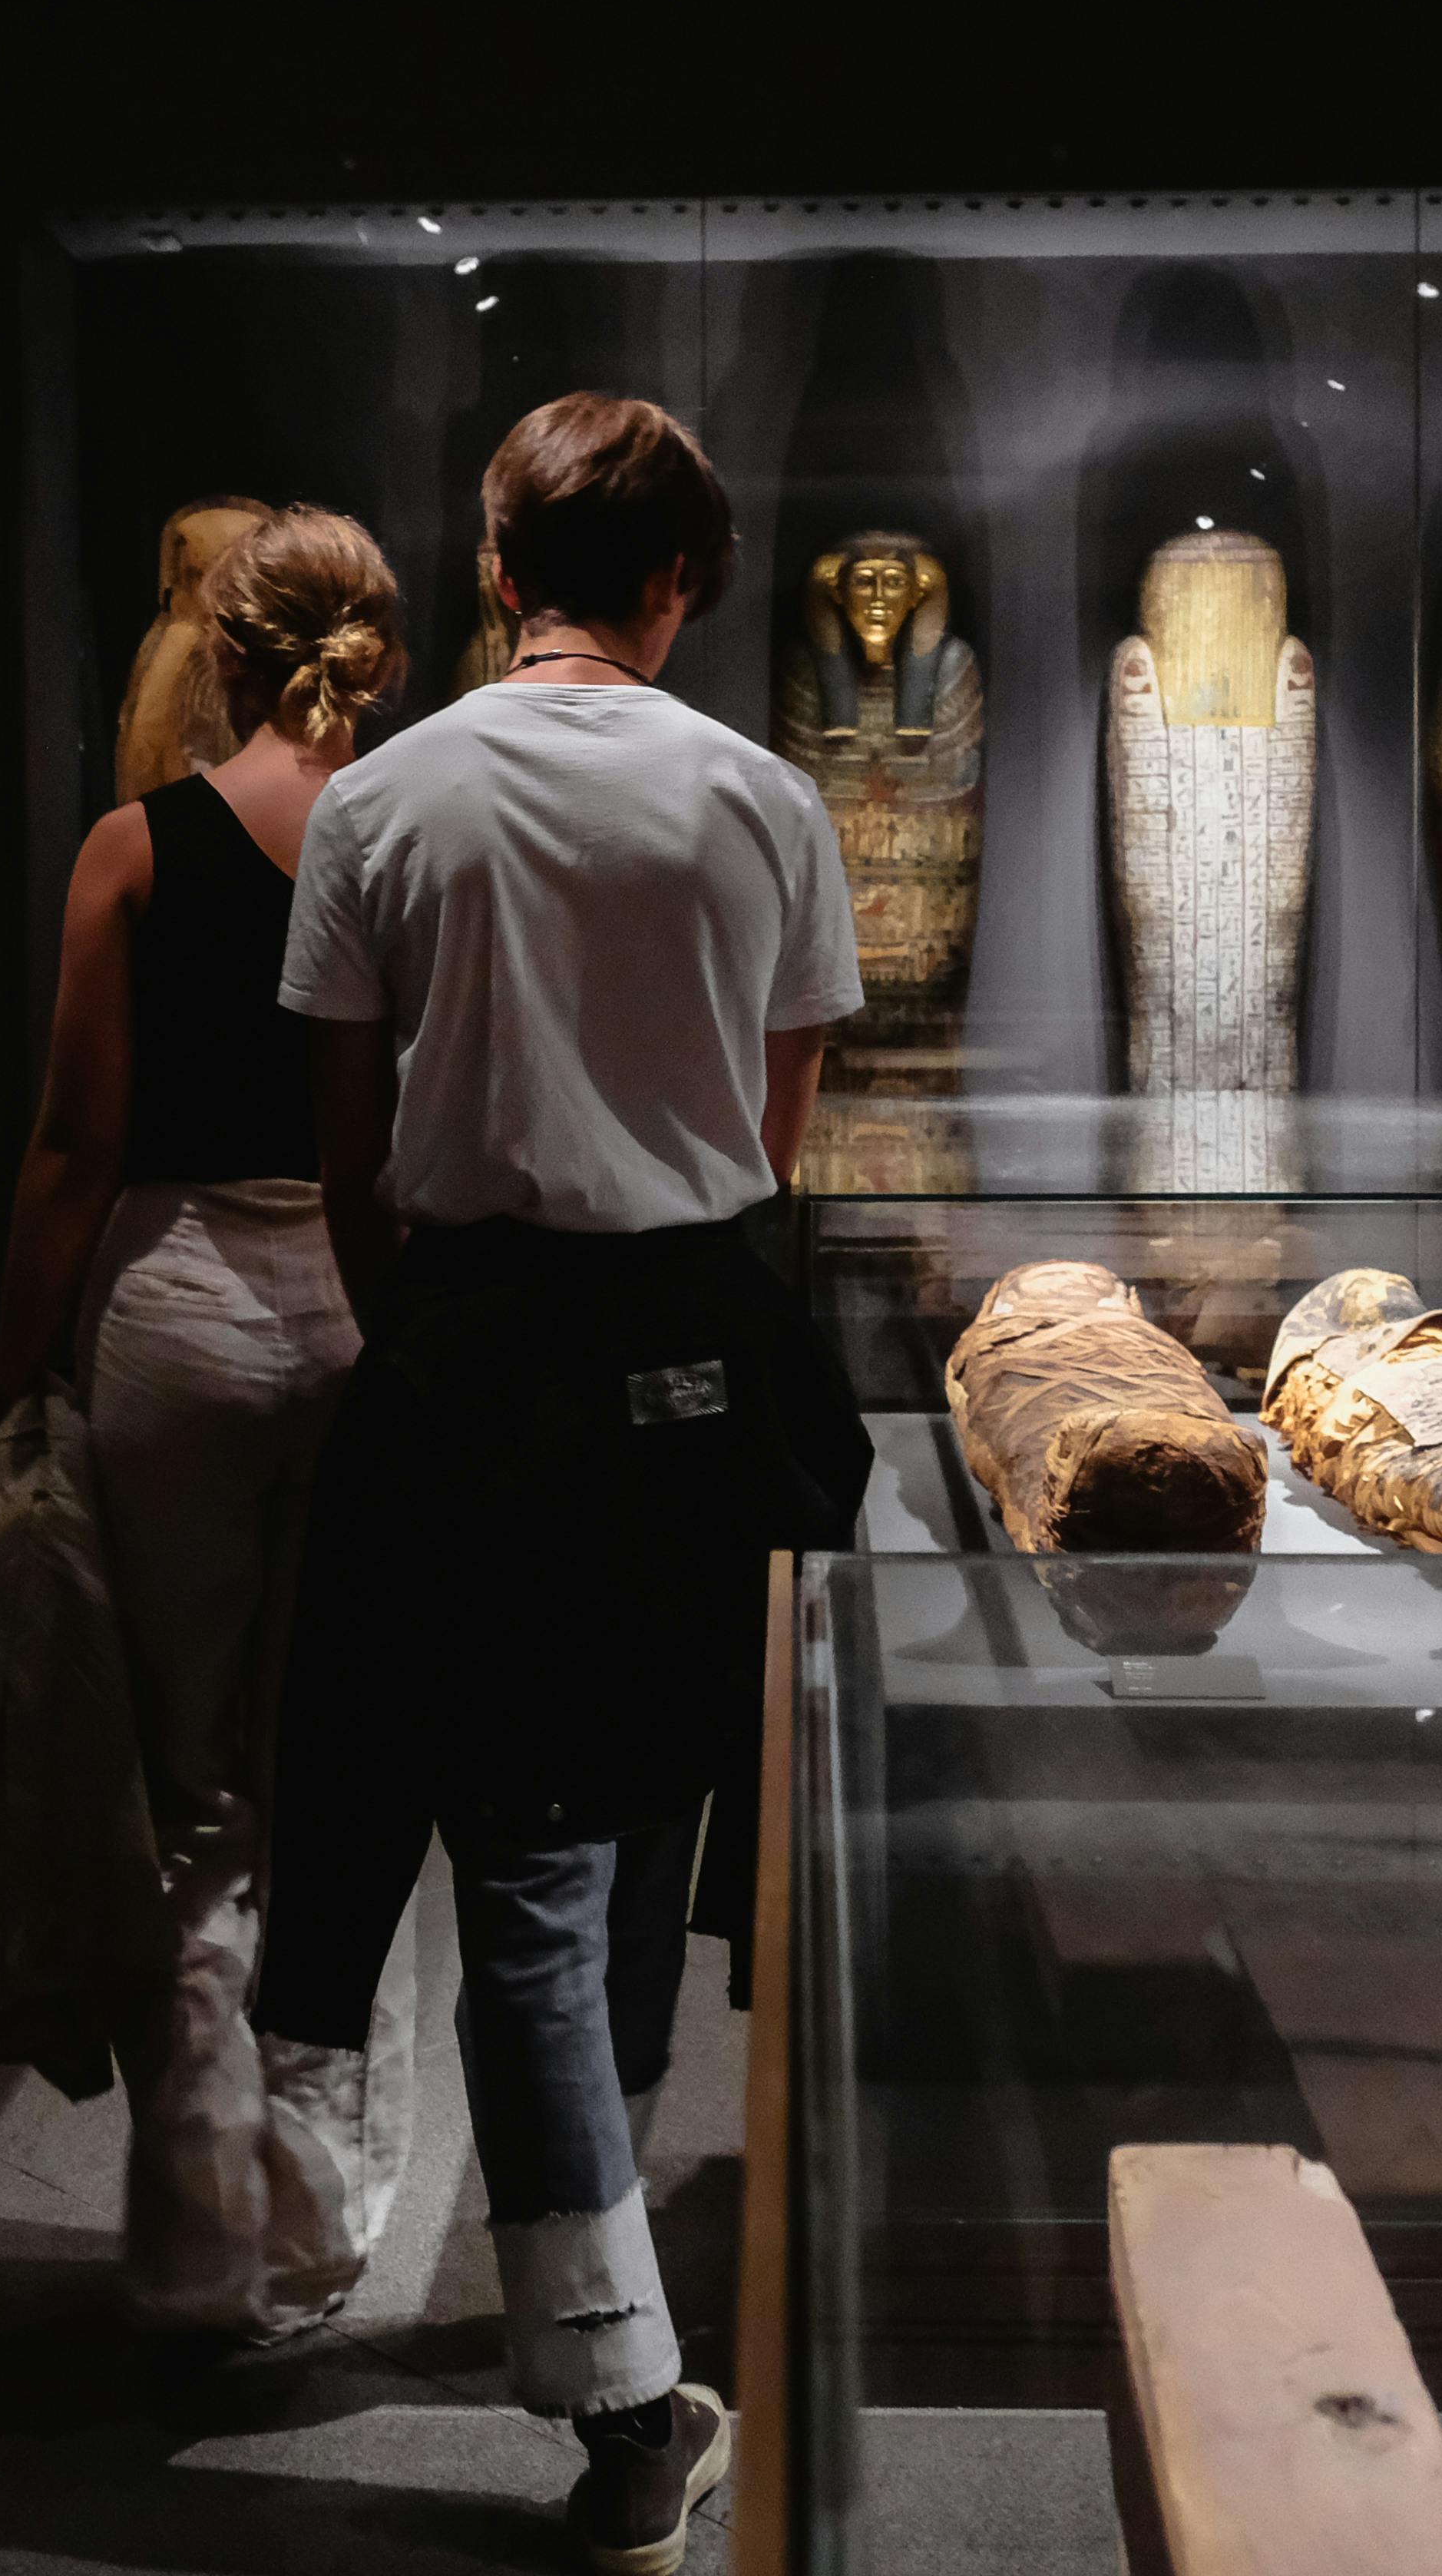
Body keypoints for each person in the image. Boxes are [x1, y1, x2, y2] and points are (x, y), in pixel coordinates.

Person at [252, 395, 874, 2576]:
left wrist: (433, 1334)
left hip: (478, 1348)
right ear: (681, 579)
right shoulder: (764, 796)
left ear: (501, 567)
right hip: (701, 1347)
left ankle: (612, 2352)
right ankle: (620, 2378)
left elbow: (347, 1153)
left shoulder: (384, 797)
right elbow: (775, 1134)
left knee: (535, 1855)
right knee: (625, 1832)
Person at [0, 505, 419, 2344]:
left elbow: (75, 1143)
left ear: (218, 653)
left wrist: (12, 1372)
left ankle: (196, 2225)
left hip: (171, 1308)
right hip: (368, 1305)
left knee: (193, 1782)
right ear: (380, 658)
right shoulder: (412, 835)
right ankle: (322, 2221)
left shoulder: (135, 846)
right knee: (346, 1768)